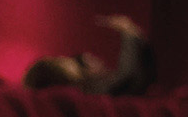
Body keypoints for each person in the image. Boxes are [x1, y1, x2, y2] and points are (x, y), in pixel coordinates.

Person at [23, 14, 155, 95]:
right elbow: (127, 76)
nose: (63, 58)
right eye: (57, 61)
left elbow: (135, 80)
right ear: (54, 75)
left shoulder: (83, 92)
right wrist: (128, 32)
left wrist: (132, 33)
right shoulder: (85, 91)